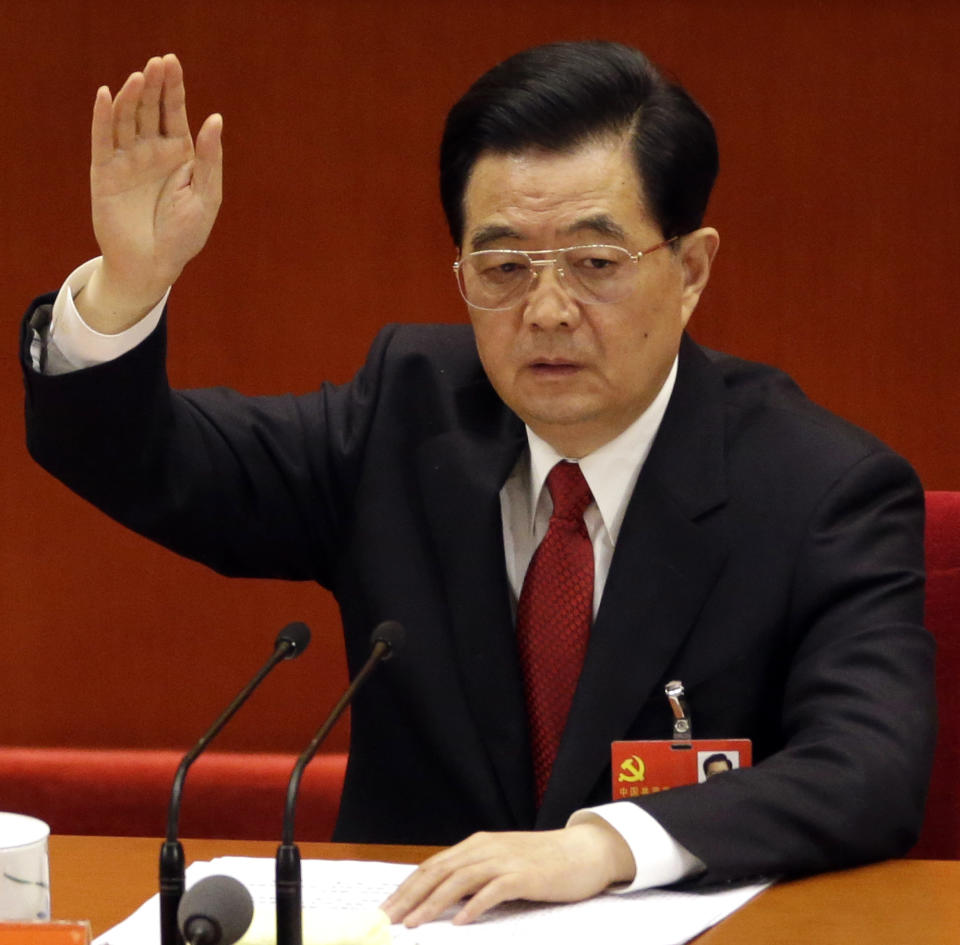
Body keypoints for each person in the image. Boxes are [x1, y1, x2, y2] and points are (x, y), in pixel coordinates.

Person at [20, 42, 935, 928]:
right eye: (502, 269)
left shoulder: (817, 487)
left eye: (595, 264)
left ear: (689, 270)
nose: (546, 309)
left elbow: (870, 764)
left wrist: (610, 842)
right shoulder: (407, 415)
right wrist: (128, 290)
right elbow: (146, 461)